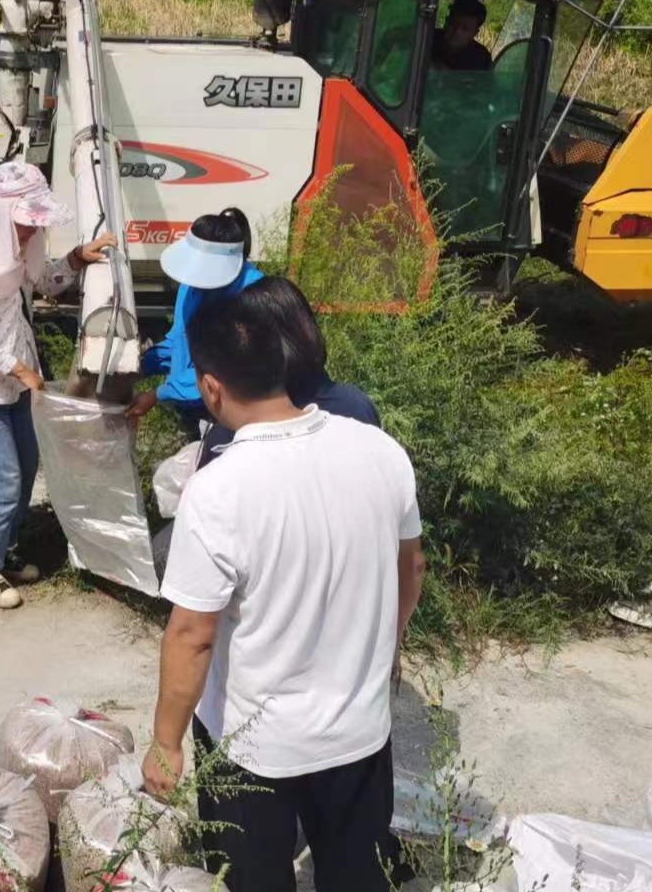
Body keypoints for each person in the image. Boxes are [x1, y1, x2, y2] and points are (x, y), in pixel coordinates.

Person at [144, 287, 426, 892]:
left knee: (255, 878)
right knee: (356, 876)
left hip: (254, 750)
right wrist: (386, 647)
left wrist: (165, 742)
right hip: (359, 732)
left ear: (212, 389)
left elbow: (193, 635)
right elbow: (412, 569)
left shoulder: (219, 490)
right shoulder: (381, 451)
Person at [0, 162, 114, 610]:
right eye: (26, 223)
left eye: (36, 224)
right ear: (2, 215)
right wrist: (19, 369)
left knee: (23, 474)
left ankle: (1, 550)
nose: (32, 232)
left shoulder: (16, 253)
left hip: (15, 387)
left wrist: (75, 261)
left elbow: (42, 283)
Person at [151, 275, 379, 577]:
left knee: (164, 550)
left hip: (266, 573)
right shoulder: (357, 406)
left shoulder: (238, 424)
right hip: (349, 565)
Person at [124, 209, 263, 440]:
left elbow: (223, 367)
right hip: (195, 406)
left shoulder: (251, 297)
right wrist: (138, 367)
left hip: (234, 417)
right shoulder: (192, 285)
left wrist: (158, 394)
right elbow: (180, 340)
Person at [431, 0, 492, 71]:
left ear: (475, 33)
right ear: (446, 21)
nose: (457, 31)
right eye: (453, 24)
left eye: (465, 28)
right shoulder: (427, 38)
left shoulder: (481, 58)